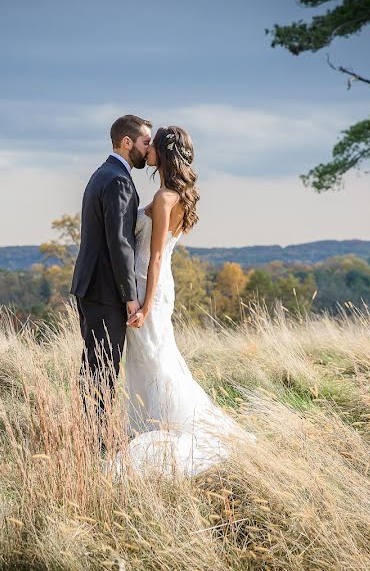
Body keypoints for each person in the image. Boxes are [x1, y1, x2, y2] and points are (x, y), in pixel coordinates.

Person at [109, 125, 256, 478]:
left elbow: (156, 255)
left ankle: (162, 429)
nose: (147, 150)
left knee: (154, 360)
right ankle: (149, 423)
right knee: (155, 358)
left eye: (151, 145)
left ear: (161, 152)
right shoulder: (175, 195)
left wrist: (143, 304)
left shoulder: (163, 199)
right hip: (157, 287)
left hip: (151, 286)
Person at [70, 114, 152, 453]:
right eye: (145, 142)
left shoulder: (103, 174)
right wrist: (130, 297)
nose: (148, 149)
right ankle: (98, 441)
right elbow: (120, 243)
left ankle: (91, 434)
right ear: (127, 142)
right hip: (105, 291)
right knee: (103, 366)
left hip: (91, 287)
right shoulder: (117, 180)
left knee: (94, 364)